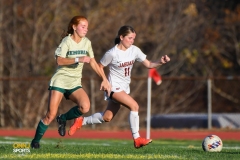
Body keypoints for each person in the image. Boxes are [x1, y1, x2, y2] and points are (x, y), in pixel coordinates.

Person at [67, 25, 170, 149]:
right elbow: (99, 66)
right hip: (113, 88)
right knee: (134, 106)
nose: (132, 41)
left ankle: (81, 121)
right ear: (121, 37)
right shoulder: (112, 53)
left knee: (107, 117)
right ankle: (137, 139)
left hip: (124, 88)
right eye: (130, 38)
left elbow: (148, 64)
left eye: (133, 39)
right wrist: (105, 80)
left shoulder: (134, 50)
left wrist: (160, 62)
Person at [30, 15, 111, 149]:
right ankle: (35, 142)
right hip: (60, 81)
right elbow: (59, 60)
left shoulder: (87, 42)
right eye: (83, 26)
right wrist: (78, 59)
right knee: (50, 115)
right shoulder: (66, 42)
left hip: (74, 83)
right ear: (74, 27)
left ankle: (63, 119)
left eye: (87, 27)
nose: (86, 29)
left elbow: (92, 61)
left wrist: (104, 79)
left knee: (85, 107)